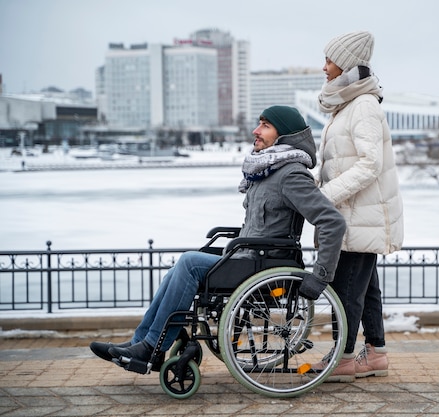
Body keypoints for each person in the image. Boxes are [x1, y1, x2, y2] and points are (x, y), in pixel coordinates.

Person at [90, 105, 346, 366]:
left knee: (190, 264)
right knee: (178, 268)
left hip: (264, 263)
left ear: (285, 136)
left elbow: (331, 221)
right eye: (259, 124)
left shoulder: (291, 175)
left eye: (265, 126)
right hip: (250, 257)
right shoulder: (266, 171)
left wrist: (320, 276)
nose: (255, 131)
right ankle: (140, 342)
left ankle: (151, 348)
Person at [316, 31, 404, 382]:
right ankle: (376, 353)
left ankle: (345, 357)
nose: (323, 67)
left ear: (347, 64)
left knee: (347, 289)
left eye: (329, 60)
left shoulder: (363, 105)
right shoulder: (350, 103)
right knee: (365, 288)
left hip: (359, 215)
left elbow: (369, 164)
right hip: (354, 214)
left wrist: (325, 196)